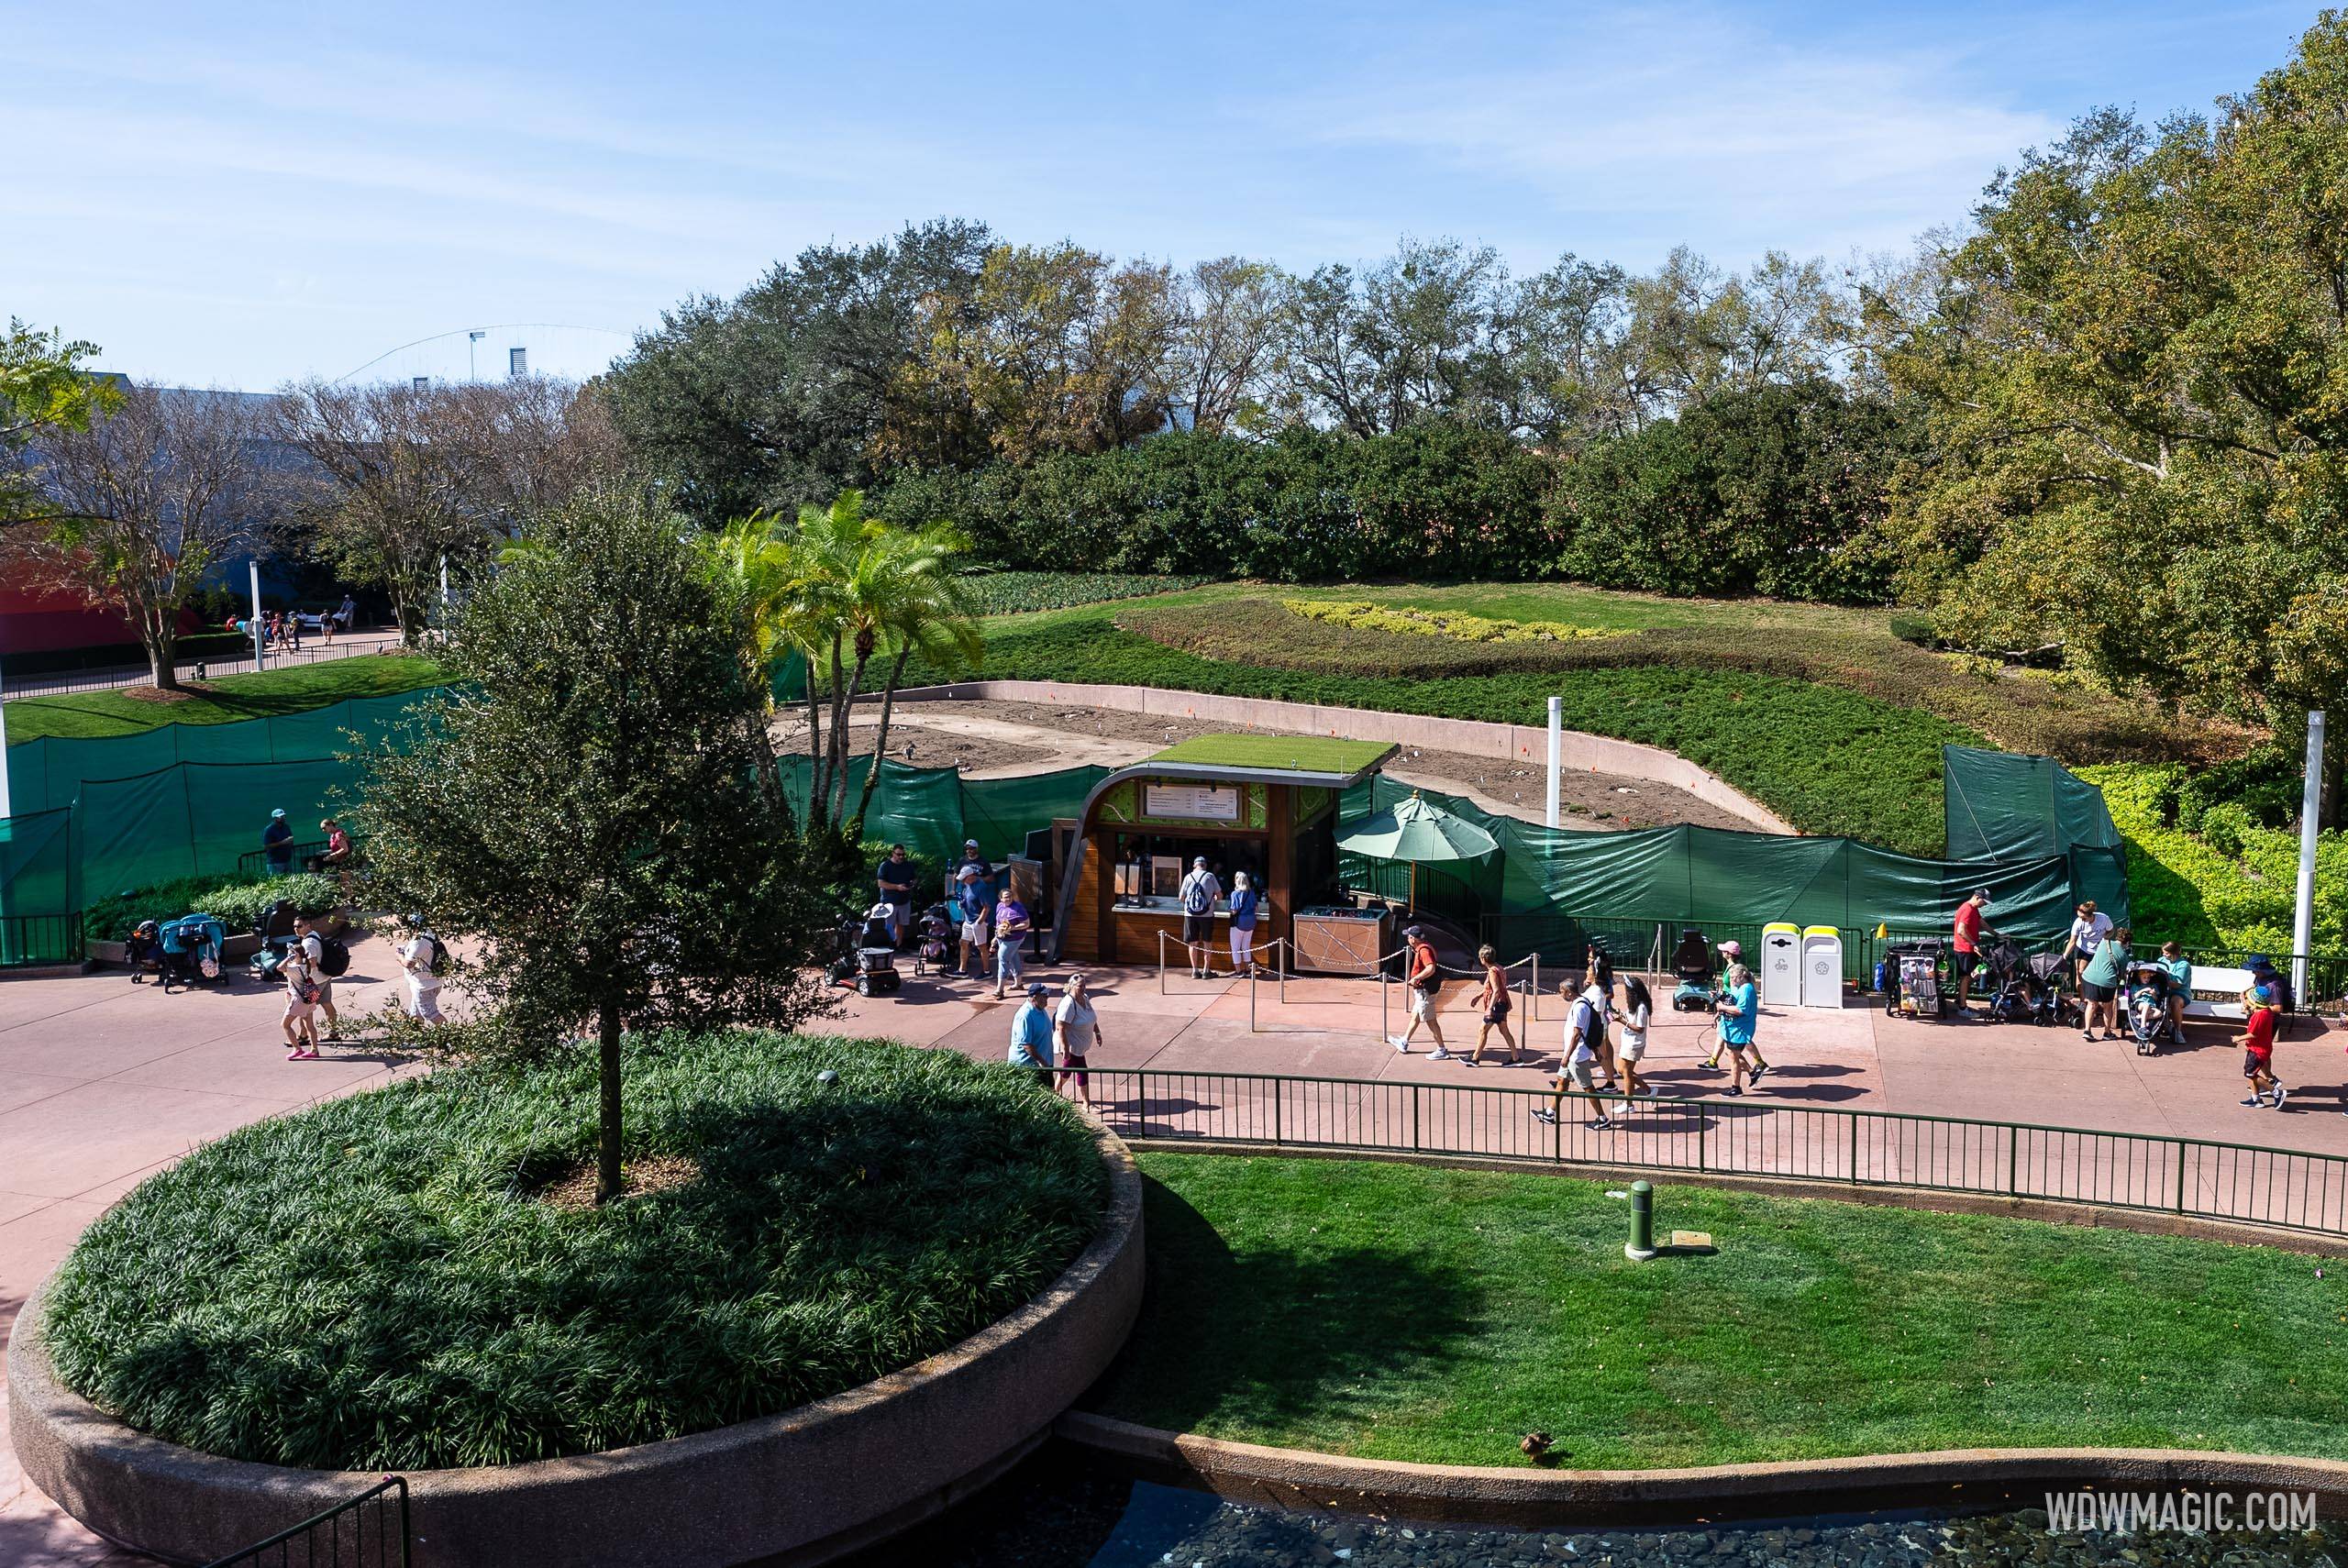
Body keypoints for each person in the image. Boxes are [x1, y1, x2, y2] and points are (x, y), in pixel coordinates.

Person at [1534, 977, 1611, 1128]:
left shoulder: (1580, 1007)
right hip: (1574, 1055)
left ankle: (1603, 1119)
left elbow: (1578, 1034)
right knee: (1562, 1081)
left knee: (1588, 1087)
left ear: (1569, 993)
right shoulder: (1582, 1003)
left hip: (1576, 1057)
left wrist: (1567, 1056)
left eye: (1562, 991)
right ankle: (1550, 1113)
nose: (1560, 994)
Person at [1388, 924, 1448, 1057]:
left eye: (1409, 937)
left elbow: (1430, 968)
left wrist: (1416, 978)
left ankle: (1442, 1049)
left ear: (1413, 939)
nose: (1408, 939)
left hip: (1424, 991)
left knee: (1431, 1020)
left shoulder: (1423, 951)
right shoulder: (1425, 946)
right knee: (1415, 1016)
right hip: (1423, 991)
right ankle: (1404, 1041)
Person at [1713, 963, 1763, 1096]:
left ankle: (1736, 1088)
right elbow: (1732, 1000)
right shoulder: (1738, 987)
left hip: (1740, 1029)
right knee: (1729, 1053)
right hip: (1733, 1027)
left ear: (1742, 976)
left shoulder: (1746, 989)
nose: (1732, 980)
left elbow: (1740, 1010)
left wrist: (1722, 1008)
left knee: (1733, 1058)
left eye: (1734, 977)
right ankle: (1753, 1073)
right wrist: (1720, 998)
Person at [291, 914, 340, 1043]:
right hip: (324, 976)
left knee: (303, 1008)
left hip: (314, 981)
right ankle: (333, 1032)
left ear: (308, 925)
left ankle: (303, 1036)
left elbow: (311, 963)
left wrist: (299, 970)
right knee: (327, 1003)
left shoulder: (309, 943)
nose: (296, 929)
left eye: (299, 926)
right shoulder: (315, 935)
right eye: (295, 926)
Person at [1054, 972, 1101, 1108]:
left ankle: (1054, 1093)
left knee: (1069, 1071)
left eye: (1085, 985)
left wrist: (1097, 1032)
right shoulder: (1068, 1003)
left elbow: (1091, 1018)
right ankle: (1085, 1102)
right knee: (1078, 1070)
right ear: (1072, 987)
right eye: (1080, 986)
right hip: (1070, 1044)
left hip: (1078, 1045)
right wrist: (1066, 1049)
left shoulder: (1085, 998)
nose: (1083, 988)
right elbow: (1060, 1027)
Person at [2237, 982, 2286, 1109]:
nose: (2245, 1001)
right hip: (2255, 1048)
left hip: (2258, 1050)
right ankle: (2256, 1099)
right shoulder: (2264, 1011)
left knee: (2250, 1074)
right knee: (2249, 1072)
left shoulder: (2260, 1015)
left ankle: (2276, 1092)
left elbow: (2253, 1034)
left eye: (2248, 999)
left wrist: (2238, 1038)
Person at [1468, 944, 1518, 1066]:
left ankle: (1475, 1058)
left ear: (1484, 959)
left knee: (1482, 1030)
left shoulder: (1492, 971)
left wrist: (1489, 1008)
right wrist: (1479, 996)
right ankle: (1516, 1058)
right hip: (1502, 1004)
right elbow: (1492, 988)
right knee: (1504, 1031)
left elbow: (1496, 991)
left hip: (1496, 1005)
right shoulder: (1499, 968)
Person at [2078, 925, 2131, 1042]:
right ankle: (2107, 1032)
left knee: (2091, 1004)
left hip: (2089, 977)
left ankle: (2087, 1030)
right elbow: (2122, 976)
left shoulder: (2104, 943)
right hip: (2107, 982)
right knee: (2108, 1006)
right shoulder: (2124, 956)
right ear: (2127, 943)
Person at [1178, 856, 1222, 979]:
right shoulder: (1210, 876)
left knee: (1193, 942)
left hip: (1190, 915)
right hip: (1207, 915)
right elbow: (1220, 895)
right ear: (1205, 865)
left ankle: (1195, 971)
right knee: (1207, 942)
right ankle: (1206, 971)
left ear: (1194, 865)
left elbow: (1181, 898)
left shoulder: (1188, 877)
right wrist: (1212, 898)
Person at [1703, 939, 1744, 1069]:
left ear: (1729, 954)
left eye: (1724, 951)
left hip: (1728, 1004)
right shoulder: (1730, 966)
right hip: (1724, 1001)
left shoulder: (1735, 970)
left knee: (1730, 1047)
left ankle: (1755, 1067)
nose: (1722, 952)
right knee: (1721, 1033)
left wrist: (1722, 1007)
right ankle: (1713, 1062)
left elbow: (1733, 990)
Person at [1614, 975, 1655, 1105]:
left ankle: (1628, 1104)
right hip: (1628, 1041)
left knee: (1626, 1072)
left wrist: (1623, 1022)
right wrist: (1620, 1015)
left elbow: (1640, 1028)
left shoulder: (1642, 1008)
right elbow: (1631, 1019)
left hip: (1634, 1044)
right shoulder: (1634, 1005)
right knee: (1622, 1070)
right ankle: (1649, 1090)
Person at [1008, 980, 1056, 1087]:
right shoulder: (1025, 1015)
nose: (1047, 999)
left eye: (1047, 996)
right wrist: (1042, 1063)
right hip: (1028, 1067)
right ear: (1034, 997)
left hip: (1044, 1063)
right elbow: (1026, 1045)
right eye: (1044, 996)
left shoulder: (1040, 1009)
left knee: (1050, 1095)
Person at [400, 914, 446, 1024]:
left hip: (424, 987)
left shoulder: (419, 941)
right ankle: (416, 1039)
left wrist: (399, 956)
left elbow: (408, 963)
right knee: (415, 1014)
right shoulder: (431, 934)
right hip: (431, 982)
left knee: (431, 1014)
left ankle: (452, 1038)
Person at [1951, 889, 1990, 1017]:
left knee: (1970, 976)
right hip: (1965, 949)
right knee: (1966, 977)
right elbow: (1961, 930)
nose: (1984, 905)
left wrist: (1997, 934)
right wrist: (1974, 944)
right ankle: (1962, 1008)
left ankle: (1960, 1000)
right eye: (1984, 902)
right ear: (1977, 897)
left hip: (1966, 949)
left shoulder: (1973, 909)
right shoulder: (1967, 909)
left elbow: (1981, 923)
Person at [2062, 900, 2114, 990]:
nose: (2081, 920)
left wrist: (2104, 938)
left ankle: (2096, 999)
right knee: (2080, 972)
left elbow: (2111, 931)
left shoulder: (2104, 919)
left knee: (2098, 975)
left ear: (2091, 915)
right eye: (2080, 917)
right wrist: (2064, 956)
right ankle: (2083, 1001)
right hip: (2083, 949)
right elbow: (2072, 941)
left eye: (2084, 918)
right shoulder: (2078, 922)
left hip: (2098, 950)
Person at [991, 884, 1032, 999]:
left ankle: (999, 990)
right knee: (1013, 956)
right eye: (1005, 897)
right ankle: (1018, 983)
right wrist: (996, 936)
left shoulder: (1018, 907)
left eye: (1009, 896)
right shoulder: (999, 906)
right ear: (1001, 899)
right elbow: (999, 924)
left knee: (1003, 958)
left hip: (1015, 938)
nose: (1007, 899)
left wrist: (1012, 928)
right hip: (1002, 937)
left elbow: (1026, 923)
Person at [876, 845, 919, 944]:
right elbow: (881, 883)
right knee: (888, 926)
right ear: (893, 853)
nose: (901, 857)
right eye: (899, 854)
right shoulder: (885, 866)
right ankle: (888, 946)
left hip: (904, 901)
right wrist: (897, 887)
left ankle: (898, 945)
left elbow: (915, 878)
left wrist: (912, 883)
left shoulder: (908, 865)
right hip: (889, 902)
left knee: (901, 924)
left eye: (903, 854)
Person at [954, 867, 992, 981]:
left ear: (971, 876)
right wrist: (962, 903)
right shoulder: (967, 885)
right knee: (963, 942)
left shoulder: (981, 887)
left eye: (964, 878)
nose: (962, 881)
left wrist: (979, 922)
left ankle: (987, 971)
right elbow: (967, 898)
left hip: (977, 921)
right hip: (968, 920)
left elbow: (986, 907)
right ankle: (962, 970)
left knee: (982, 947)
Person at [1226, 871, 1260, 975]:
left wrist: (1229, 910)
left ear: (1237, 881)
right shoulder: (1251, 893)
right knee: (1246, 947)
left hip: (1239, 923)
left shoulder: (1235, 894)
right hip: (1251, 922)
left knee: (1235, 948)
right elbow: (1256, 909)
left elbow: (1234, 910)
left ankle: (1238, 971)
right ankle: (1247, 968)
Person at [2159, 940, 2194, 1041]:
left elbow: (2177, 984)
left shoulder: (2183, 965)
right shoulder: (2161, 960)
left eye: (2166, 953)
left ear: (2174, 953)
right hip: (2164, 990)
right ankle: (2155, 1026)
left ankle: (2177, 1032)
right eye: (2163, 952)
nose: (2164, 955)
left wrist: (2162, 979)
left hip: (2180, 993)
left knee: (2175, 1001)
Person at [260, 808, 294, 877]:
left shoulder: (286, 827)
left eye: (284, 816)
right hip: (275, 862)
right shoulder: (269, 830)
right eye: (281, 817)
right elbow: (265, 846)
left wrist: (290, 842)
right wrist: (282, 842)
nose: (283, 818)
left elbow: (290, 838)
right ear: (275, 818)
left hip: (287, 860)